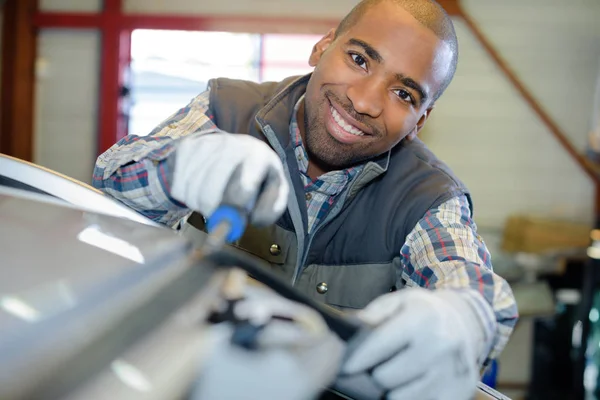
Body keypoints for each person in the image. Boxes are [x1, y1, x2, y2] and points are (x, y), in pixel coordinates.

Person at [93, 0, 519, 398]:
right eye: (359, 59)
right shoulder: (225, 110)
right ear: (322, 47)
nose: (364, 101)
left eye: (403, 94)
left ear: (419, 121)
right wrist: (178, 168)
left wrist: (464, 318)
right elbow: (111, 179)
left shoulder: (427, 196)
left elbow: (470, 278)